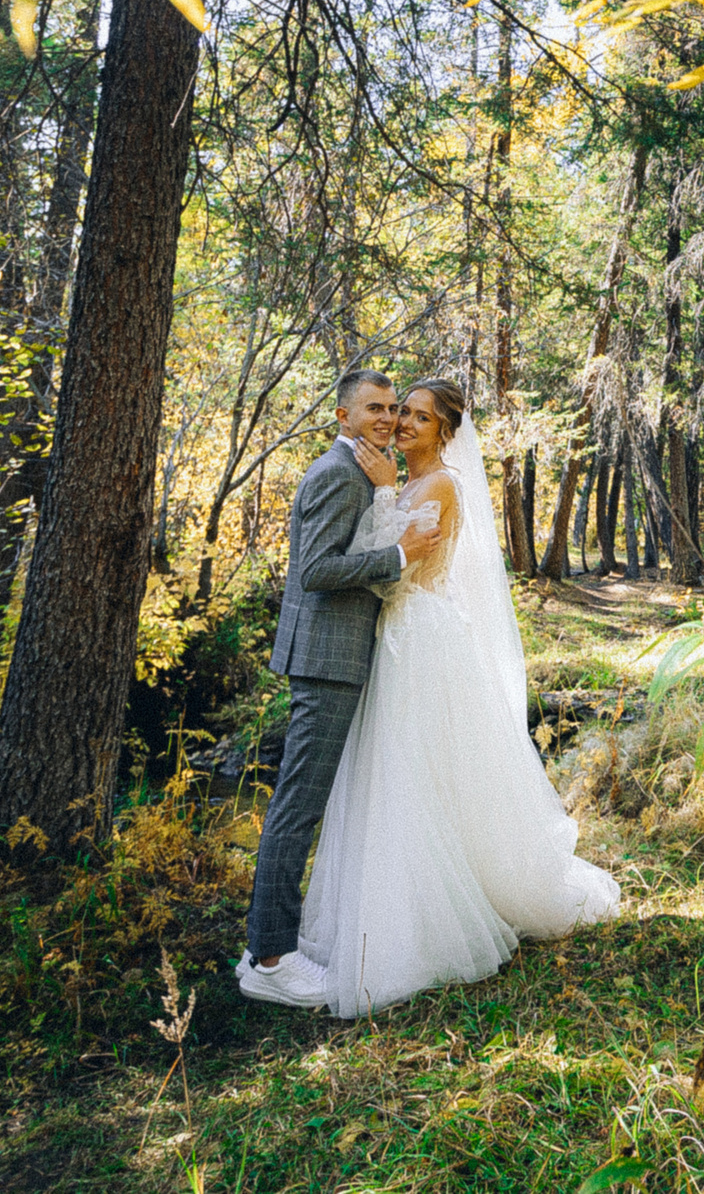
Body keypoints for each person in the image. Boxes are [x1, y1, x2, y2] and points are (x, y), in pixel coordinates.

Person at [286, 376, 620, 1016]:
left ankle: (425, 929)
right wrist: (386, 493)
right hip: (391, 641)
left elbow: (401, 573)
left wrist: (384, 495)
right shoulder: (400, 481)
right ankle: (386, 909)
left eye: (418, 417)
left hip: (418, 637)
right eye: (399, 413)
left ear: (444, 432)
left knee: (416, 778)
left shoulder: (438, 485)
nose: (404, 424)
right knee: (388, 780)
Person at [236, 368, 439, 1008]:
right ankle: (270, 961)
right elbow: (317, 570)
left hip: (341, 654)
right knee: (298, 806)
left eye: (392, 407)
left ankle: (272, 945)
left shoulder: (364, 470)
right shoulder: (336, 472)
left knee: (306, 802)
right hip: (325, 658)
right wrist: (401, 555)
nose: (386, 418)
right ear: (342, 417)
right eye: (373, 408)